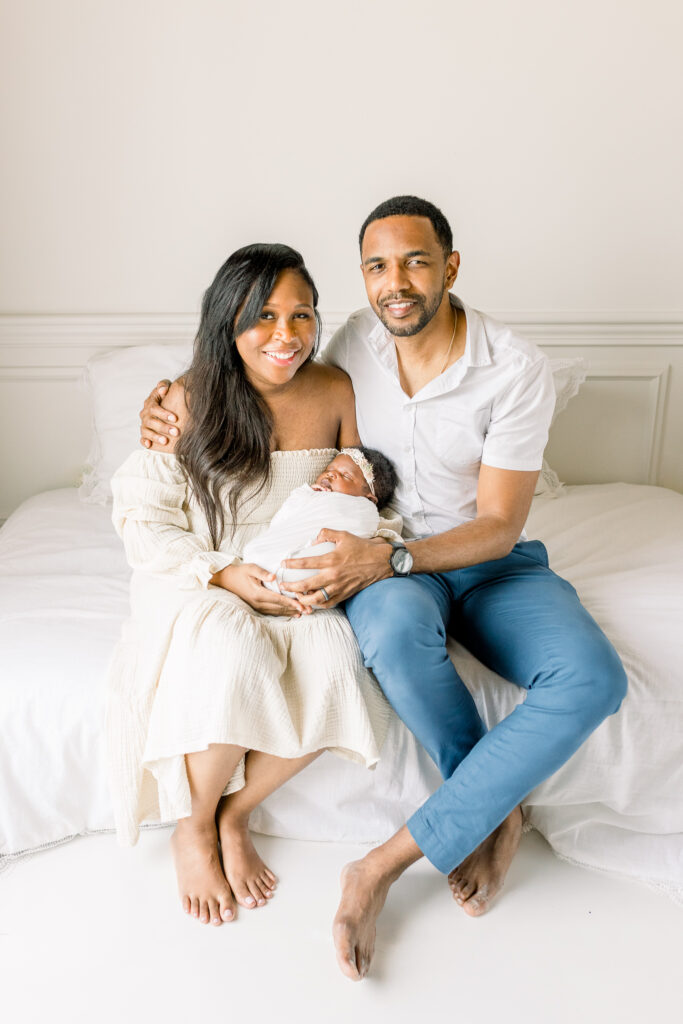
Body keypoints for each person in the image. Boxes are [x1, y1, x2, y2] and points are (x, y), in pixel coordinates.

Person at [139, 196, 628, 981]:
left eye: (414, 262)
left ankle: (379, 866)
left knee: (593, 678)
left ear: (450, 268)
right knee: (393, 639)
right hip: (389, 562)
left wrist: (387, 561)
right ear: (362, 277)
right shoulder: (354, 343)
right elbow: (259, 359)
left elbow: (500, 523)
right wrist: (169, 394)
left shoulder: (514, 367)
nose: (393, 282)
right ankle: (494, 811)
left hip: (478, 561)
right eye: (376, 265)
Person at [107, 243, 395, 931]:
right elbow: (143, 518)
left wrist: (343, 560)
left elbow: (363, 497)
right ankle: (194, 823)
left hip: (291, 567)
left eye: (301, 315)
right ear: (227, 317)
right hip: (201, 570)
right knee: (231, 646)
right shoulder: (185, 397)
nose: (286, 335)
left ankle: (235, 814)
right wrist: (224, 573)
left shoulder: (334, 389)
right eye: (263, 316)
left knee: (334, 659)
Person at [242, 446, 399, 597]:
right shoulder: (309, 495)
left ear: (369, 498)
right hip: (271, 558)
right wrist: (305, 495)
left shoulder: (363, 509)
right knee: (254, 548)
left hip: (308, 570)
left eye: (345, 476)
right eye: (328, 470)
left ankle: (284, 578)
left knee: (330, 550)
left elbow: (361, 532)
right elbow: (280, 523)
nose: (331, 475)